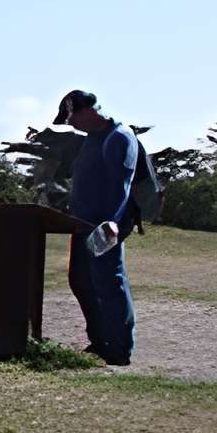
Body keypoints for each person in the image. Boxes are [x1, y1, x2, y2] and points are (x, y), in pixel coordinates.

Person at [55, 89, 146, 366]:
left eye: (70, 117)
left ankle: (118, 348)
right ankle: (100, 340)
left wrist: (110, 225)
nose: (70, 124)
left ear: (87, 112)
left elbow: (121, 187)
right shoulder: (93, 139)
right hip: (82, 225)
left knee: (109, 283)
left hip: (104, 228)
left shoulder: (119, 137)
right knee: (81, 280)